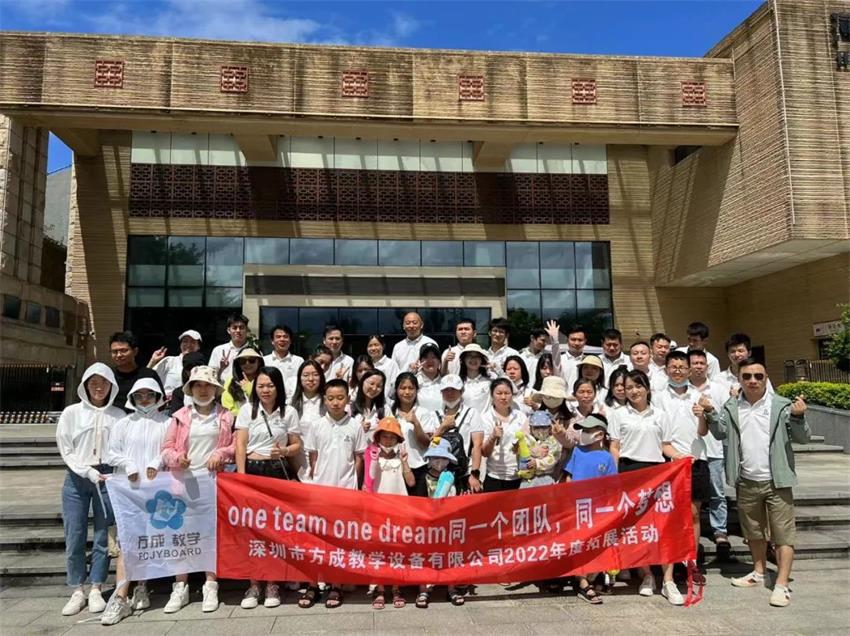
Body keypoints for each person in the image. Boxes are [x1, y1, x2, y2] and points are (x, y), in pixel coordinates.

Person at [704, 359, 809, 607]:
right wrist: (709, 413)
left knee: (783, 535)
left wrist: (798, 416)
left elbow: (803, 438)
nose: (753, 381)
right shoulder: (732, 406)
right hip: (746, 480)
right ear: (739, 379)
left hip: (777, 480)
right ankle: (759, 572)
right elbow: (719, 433)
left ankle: (781, 584)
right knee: (753, 532)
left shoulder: (780, 405)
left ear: (766, 379)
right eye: (747, 376)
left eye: (758, 376)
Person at [161, 365, 235, 614]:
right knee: (182, 534)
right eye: (198, 385)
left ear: (215, 389)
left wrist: (220, 453)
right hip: (183, 483)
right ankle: (180, 585)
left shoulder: (226, 416)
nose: (203, 390)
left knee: (210, 534)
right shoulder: (179, 417)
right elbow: (166, 449)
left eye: (208, 385)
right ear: (190, 389)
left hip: (213, 482)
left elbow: (234, 446)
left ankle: (210, 584)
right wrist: (177, 458)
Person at [606, 369, 682, 605]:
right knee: (638, 528)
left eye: (638, 386)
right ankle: (647, 575)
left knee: (664, 527)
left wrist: (680, 457)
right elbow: (615, 447)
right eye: (629, 387)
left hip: (657, 473)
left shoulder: (660, 414)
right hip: (629, 472)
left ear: (647, 388)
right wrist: (614, 476)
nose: (633, 391)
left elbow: (665, 445)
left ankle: (668, 580)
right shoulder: (618, 414)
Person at [100, 378, 170, 625]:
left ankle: (142, 586)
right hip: (129, 490)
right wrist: (128, 464)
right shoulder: (123, 423)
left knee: (151, 539)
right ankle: (121, 596)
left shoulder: (167, 423)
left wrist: (156, 462)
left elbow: (170, 449)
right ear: (132, 397)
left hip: (157, 489)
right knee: (128, 541)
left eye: (149, 394)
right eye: (139, 395)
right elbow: (110, 453)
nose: (144, 399)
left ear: (157, 396)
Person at [56, 363, 123, 617]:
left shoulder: (118, 415)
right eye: (93, 382)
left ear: (111, 386)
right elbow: (66, 448)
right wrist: (85, 470)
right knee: (74, 533)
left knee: (104, 535)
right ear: (85, 385)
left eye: (104, 382)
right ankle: (77, 589)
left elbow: (121, 448)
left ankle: (96, 587)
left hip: (106, 477)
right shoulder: (71, 413)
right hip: (77, 477)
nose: (98, 387)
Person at [235, 366, 302, 610]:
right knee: (253, 531)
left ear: (278, 387)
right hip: (253, 470)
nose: (265, 390)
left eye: (270, 385)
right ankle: (254, 584)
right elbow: (240, 445)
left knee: (275, 530)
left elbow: (297, 445)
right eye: (261, 385)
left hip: (277, 471)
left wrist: (284, 450)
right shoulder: (247, 410)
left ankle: (273, 583)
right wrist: (242, 477)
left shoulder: (289, 412)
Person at [303, 378, 367, 609]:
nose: (336, 402)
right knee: (316, 540)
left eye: (340, 398)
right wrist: (316, 482)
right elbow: (313, 457)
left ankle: (336, 585)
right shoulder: (317, 425)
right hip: (321, 491)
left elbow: (358, 458)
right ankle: (313, 584)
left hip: (346, 491)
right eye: (331, 398)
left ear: (348, 399)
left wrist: (355, 486)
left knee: (340, 541)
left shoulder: (355, 425)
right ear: (324, 400)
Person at [655, 351, 712, 585]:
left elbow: (703, 432)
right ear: (666, 369)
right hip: (668, 462)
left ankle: (691, 562)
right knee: (670, 516)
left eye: (682, 367)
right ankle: (671, 562)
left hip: (696, 459)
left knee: (693, 514)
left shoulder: (699, 396)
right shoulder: (657, 396)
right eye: (673, 367)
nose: (677, 370)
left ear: (689, 370)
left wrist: (703, 415)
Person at [562, 414, 617, 605]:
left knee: (595, 545)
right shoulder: (577, 451)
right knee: (579, 544)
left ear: (600, 434)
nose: (583, 433)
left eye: (588, 430)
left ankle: (592, 577)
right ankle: (583, 583)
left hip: (598, 510)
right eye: (583, 430)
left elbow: (612, 486)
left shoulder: (607, 457)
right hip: (578, 508)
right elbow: (569, 476)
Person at [367, 416, 414, 610]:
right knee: (379, 550)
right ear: (378, 437)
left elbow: (411, 482)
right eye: (384, 436)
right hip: (378, 509)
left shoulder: (400, 457)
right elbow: (370, 478)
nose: (388, 440)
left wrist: (405, 462)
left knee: (397, 549)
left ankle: (396, 587)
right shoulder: (373, 455)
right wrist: (373, 460)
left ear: (398, 439)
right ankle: (379, 589)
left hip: (399, 509)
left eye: (392, 437)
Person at [688, 349, 732, 546]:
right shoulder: (683, 390)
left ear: (707, 366)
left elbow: (726, 418)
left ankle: (720, 530)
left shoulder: (719, 389)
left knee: (717, 492)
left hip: (714, 448)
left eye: (701, 363)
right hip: (691, 451)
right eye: (694, 363)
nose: (698, 367)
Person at [416, 438, 463, 608]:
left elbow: (460, 498)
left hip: (449, 524)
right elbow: (418, 501)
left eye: (443, 458)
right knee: (425, 556)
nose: (439, 461)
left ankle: (451, 588)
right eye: (436, 457)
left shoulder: (452, 477)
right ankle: (424, 590)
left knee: (450, 555)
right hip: (428, 524)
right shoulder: (423, 476)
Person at [434, 375, 485, 493]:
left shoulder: (472, 413)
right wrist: (442, 428)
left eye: (453, 389)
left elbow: (477, 445)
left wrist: (474, 474)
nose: (450, 393)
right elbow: (433, 444)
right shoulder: (435, 414)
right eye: (446, 390)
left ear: (461, 391)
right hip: (439, 473)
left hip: (465, 472)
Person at [390, 372, 438, 495]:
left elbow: (426, 444)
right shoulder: (390, 412)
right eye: (403, 388)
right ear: (396, 390)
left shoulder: (423, 413)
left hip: (419, 468)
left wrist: (416, 423)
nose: (407, 392)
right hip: (394, 467)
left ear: (417, 390)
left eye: (411, 388)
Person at [481, 378, 529, 492]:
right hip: (494, 476)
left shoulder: (520, 416)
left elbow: (528, 443)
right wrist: (493, 436)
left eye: (507, 393)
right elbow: (484, 452)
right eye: (499, 393)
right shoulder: (485, 418)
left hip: (518, 475)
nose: (503, 397)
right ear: (492, 396)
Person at [289, 360, 326, 482]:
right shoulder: (291, 405)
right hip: (298, 463)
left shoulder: (328, 403)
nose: (311, 379)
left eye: (315, 375)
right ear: (299, 378)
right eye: (306, 375)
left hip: (324, 463)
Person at [109, 331, 164, 414]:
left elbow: (160, 402)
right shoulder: (108, 376)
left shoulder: (149, 375)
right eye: (114, 351)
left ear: (135, 351)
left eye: (123, 350)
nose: (119, 355)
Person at [148, 329, 203, 397]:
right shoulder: (169, 361)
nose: (188, 345)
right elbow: (147, 377)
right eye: (185, 341)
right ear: (180, 345)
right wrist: (153, 361)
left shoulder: (202, 366)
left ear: (198, 346)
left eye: (193, 342)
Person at [720, 333, 774, 397]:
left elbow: (771, 398)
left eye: (740, 351)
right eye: (733, 351)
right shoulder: (719, 379)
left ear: (749, 353)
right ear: (728, 354)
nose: (736, 354)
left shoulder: (760, 376)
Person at [518, 410, 562, 488]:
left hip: (545, 477)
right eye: (536, 427)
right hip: (527, 479)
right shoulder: (527, 439)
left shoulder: (553, 441)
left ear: (549, 427)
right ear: (531, 428)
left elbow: (553, 459)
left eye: (543, 427)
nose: (540, 430)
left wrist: (537, 462)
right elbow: (520, 454)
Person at [221, 347, 264, 415]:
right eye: (242, 361)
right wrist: (244, 416)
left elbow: (267, 404)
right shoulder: (230, 382)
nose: (247, 363)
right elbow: (227, 410)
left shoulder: (266, 380)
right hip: (237, 421)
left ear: (259, 362)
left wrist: (249, 388)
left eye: (251, 360)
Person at [209, 313, 250, 382]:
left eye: (241, 327)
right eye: (234, 328)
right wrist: (221, 368)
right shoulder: (218, 350)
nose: (238, 331)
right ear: (228, 330)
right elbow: (211, 378)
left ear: (247, 330)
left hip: (247, 388)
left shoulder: (254, 351)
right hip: (223, 388)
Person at [166, 351, 206, 416]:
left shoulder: (214, 390)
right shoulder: (178, 393)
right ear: (185, 371)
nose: (193, 370)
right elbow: (177, 417)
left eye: (198, 366)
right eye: (189, 367)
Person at [458, 343, 491, 414]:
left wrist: (498, 370)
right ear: (464, 359)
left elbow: (512, 388)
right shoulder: (458, 382)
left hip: (484, 420)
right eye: (469, 356)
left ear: (481, 360)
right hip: (463, 420)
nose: (473, 359)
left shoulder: (489, 382)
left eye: (477, 356)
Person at [367, 334, 399, 398]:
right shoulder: (367, 365)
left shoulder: (391, 364)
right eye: (370, 345)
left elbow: (395, 386)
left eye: (376, 345)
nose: (373, 348)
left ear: (383, 346)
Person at [415, 343, 444, 412]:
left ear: (439, 361)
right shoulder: (414, 382)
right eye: (425, 357)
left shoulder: (445, 382)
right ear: (420, 361)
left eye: (434, 357)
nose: (430, 361)